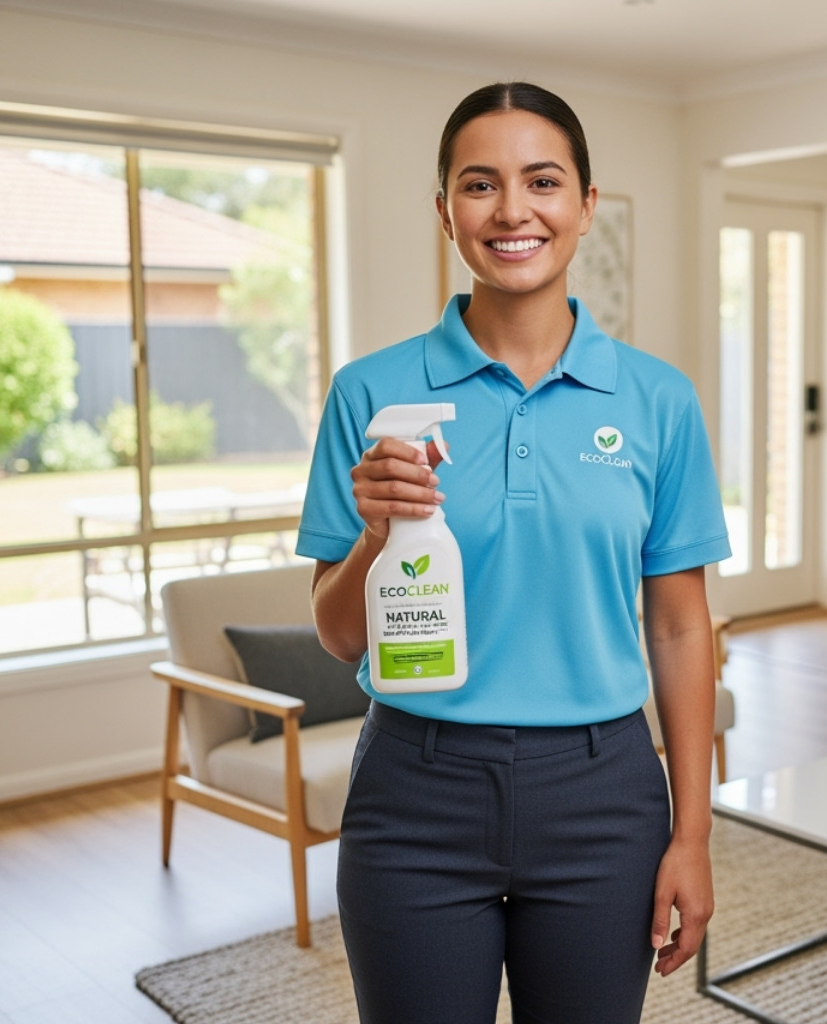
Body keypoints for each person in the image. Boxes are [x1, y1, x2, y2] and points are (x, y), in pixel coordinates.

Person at [297, 81, 732, 1024]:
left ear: (585, 204)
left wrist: (691, 833)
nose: (513, 210)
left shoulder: (658, 401)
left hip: (604, 796)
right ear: (447, 210)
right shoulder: (369, 393)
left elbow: (680, 626)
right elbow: (337, 639)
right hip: (414, 793)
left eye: (542, 181)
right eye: (479, 184)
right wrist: (375, 534)